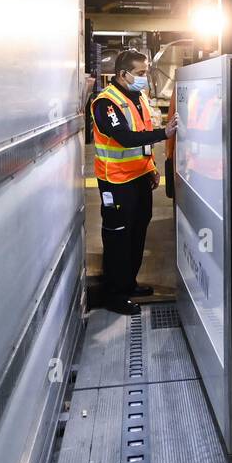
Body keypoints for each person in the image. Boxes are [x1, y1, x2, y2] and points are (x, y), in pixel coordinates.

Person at [90, 49, 178, 314]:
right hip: (116, 182)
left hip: (139, 177)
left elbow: (143, 137)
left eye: (145, 72)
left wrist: (151, 167)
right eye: (140, 73)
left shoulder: (139, 97)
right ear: (122, 74)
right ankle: (114, 295)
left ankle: (128, 283)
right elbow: (126, 139)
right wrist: (165, 133)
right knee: (118, 237)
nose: (144, 77)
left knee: (138, 230)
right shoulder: (106, 103)